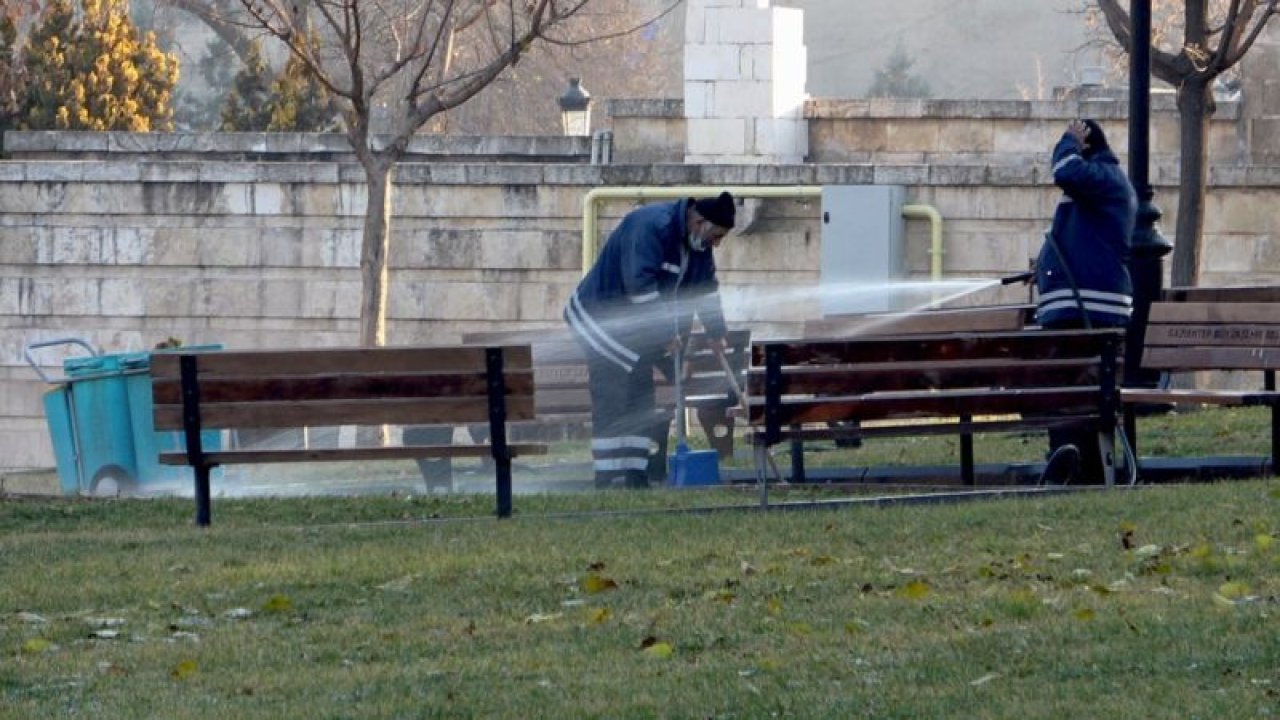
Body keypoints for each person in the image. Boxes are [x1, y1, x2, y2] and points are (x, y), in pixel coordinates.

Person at [564, 192, 735, 488]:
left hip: (639, 327)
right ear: (699, 223)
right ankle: (608, 477)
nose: (717, 244)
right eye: (717, 236)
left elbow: (704, 290)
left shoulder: (699, 245)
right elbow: (640, 287)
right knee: (614, 395)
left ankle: (635, 475)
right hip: (601, 319)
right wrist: (666, 334)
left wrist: (716, 332)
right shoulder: (650, 226)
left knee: (641, 397)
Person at [1034, 118, 1137, 484]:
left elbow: (1064, 170)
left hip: (1086, 309)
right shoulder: (1101, 186)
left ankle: (1071, 461)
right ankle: (1076, 461)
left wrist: (1068, 141)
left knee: (1069, 388)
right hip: (1082, 307)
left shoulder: (1102, 177)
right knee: (1075, 389)